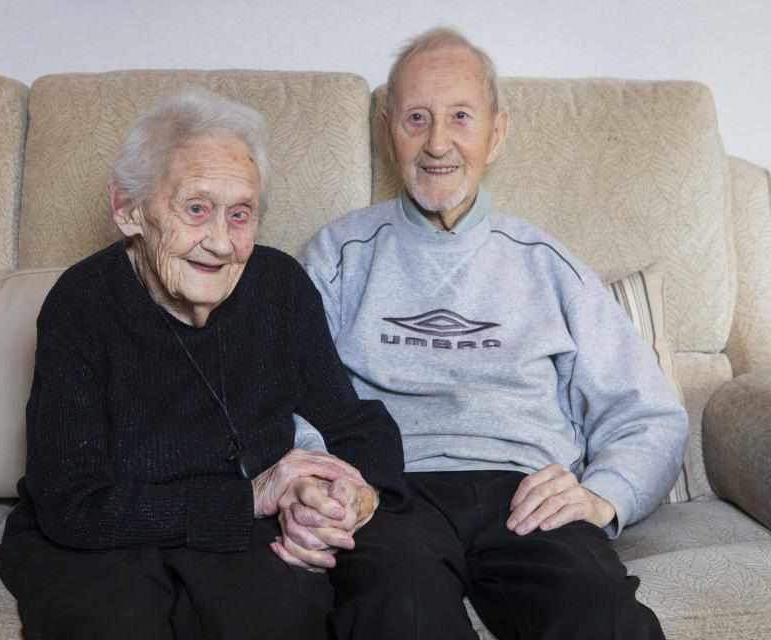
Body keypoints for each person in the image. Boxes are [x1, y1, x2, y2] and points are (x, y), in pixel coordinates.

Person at [293, 27, 689, 640]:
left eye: (460, 117)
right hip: (391, 490)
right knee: (401, 613)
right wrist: (325, 482)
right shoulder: (337, 256)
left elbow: (650, 413)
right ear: (387, 128)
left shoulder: (547, 264)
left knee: (605, 617)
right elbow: (281, 390)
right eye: (416, 118)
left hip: (525, 493)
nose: (438, 143)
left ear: (496, 133)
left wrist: (602, 496)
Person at [0, 87, 405, 640]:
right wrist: (252, 496)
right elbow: (72, 504)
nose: (219, 242)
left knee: (281, 615)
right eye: (195, 209)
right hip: (98, 539)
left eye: (240, 215)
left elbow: (355, 427)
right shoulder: (81, 305)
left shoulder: (279, 288)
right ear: (128, 209)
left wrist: (349, 498)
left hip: (236, 533)